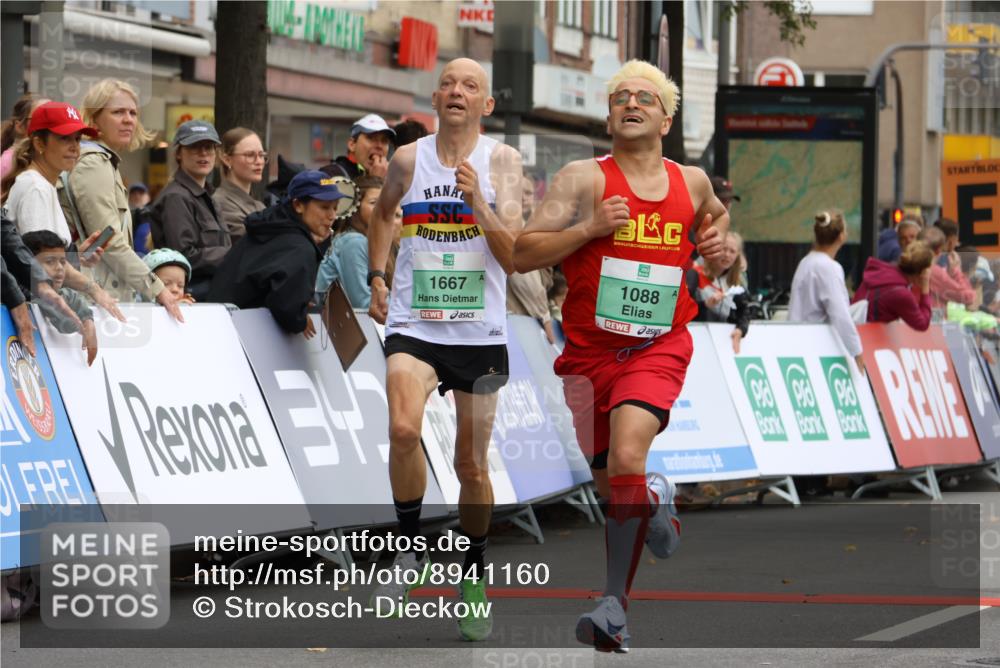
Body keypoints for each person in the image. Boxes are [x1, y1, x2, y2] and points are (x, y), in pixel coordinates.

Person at [513, 59, 728, 652]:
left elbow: (717, 222)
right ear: (609, 119)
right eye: (620, 97)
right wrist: (588, 229)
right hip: (587, 358)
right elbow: (523, 254)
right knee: (615, 484)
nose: (631, 103)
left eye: (645, 97)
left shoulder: (692, 182)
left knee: (630, 454)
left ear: (666, 119)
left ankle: (613, 608)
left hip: (658, 345)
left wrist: (720, 245)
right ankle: (653, 500)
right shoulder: (583, 179)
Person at [366, 57, 522, 642]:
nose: (457, 91)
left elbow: (514, 254)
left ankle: (474, 575)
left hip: (479, 333)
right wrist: (377, 277)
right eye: (448, 84)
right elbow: (383, 215)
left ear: (487, 104)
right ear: (434, 99)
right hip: (415, 324)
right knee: (403, 429)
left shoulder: (503, 162)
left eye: (470, 85)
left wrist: (479, 204)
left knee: (470, 466)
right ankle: (410, 551)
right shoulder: (409, 159)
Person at [61, 79, 183, 321]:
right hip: (93, 303)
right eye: (118, 112)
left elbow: (104, 240)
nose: (128, 120)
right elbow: (108, 241)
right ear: (94, 119)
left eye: (133, 113)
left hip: (100, 299)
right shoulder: (93, 162)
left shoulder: (104, 161)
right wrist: (158, 289)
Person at [208, 170, 343, 335]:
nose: (332, 216)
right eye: (324, 207)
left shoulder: (273, 226)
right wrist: (300, 319)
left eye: (335, 208)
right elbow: (288, 310)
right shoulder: (299, 247)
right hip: (238, 333)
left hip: (219, 323)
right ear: (298, 205)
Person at [149, 120, 229, 301]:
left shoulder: (206, 195)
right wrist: (233, 254)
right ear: (179, 153)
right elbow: (183, 255)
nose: (203, 153)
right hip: (190, 298)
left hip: (211, 295)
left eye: (209, 147)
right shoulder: (176, 197)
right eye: (195, 147)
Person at [2, 101, 99, 246]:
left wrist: (77, 256)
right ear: (39, 143)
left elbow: (44, 256)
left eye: (77, 139)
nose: (74, 147)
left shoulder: (41, 183)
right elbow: (42, 258)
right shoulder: (36, 188)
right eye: (65, 138)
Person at [788, 211, 864, 371]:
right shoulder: (829, 268)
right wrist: (856, 351)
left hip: (797, 341)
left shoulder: (806, 262)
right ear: (841, 236)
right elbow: (840, 313)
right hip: (818, 346)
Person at [21, 230, 98, 365]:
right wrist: (81, 326)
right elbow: (65, 324)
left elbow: (71, 296)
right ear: (27, 264)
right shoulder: (30, 296)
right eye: (50, 261)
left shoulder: (57, 292)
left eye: (63, 262)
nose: (59, 268)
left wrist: (88, 320)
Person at [315, 174, 383, 308]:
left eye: (384, 203)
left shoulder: (358, 239)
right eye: (374, 203)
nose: (381, 209)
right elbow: (363, 303)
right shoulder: (353, 242)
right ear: (354, 206)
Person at [507, 175, 556, 343]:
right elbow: (525, 280)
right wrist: (545, 317)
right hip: (520, 321)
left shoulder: (530, 227)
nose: (523, 197)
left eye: (528, 193)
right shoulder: (512, 226)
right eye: (517, 192)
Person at [686, 230, 749, 353]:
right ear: (714, 250)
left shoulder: (736, 282)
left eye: (732, 251)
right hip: (695, 341)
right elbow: (681, 309)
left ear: (737, 256)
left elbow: (745, 311)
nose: (727, 255)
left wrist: (741, 329)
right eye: (723, 249)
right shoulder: (695, 274)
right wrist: (705, 305)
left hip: (723, 345)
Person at [853, 240, 934, 331]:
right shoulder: (900, 293)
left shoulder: (881, 273)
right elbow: (922, 324)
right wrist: (925, 288)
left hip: (858, 330)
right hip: (869, 335)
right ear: (922, 272)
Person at [213, 127, 267, 243]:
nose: (259, 161)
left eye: (261, 155)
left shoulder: (259, 206)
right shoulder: (219, 202)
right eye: (250, 155)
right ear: (227, 160)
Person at [321, 113, 394, 181]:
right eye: (371, 138)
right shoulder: (330, 174)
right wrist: (376, 180)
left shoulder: (390, 178)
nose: (379, 146)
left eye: (384, 141)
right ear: (352, 145)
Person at [1, 94, 49, 191]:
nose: (50, 124)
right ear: (20, 126)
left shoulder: (52, 157)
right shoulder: (9, 161)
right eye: (40, 117)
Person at [920, 225, 975, 309]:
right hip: (932, 315)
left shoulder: (911, 265)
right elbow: (968, 297)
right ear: (939, 251)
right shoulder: (932, 271)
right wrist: (956, 271)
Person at [129, 183, 153, 256]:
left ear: (148, 197)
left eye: (141, 193)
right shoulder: (125, 216)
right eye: (134, 193)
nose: (137, 196)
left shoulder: (155, 214)